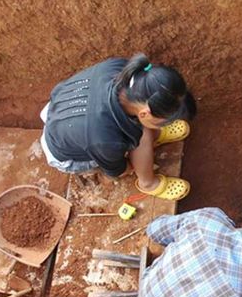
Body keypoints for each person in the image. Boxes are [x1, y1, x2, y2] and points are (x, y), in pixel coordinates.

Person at [39, 53, 196, 200]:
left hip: (64, 113)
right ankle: (148, 184)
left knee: (141, 134)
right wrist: (138, 162)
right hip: (66, 155)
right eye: (163, 121)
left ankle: (154, 136)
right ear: (145, 113)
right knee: (141, 139)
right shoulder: (104, 139)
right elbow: (120, 170)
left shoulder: (123, 69)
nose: (165, 123)